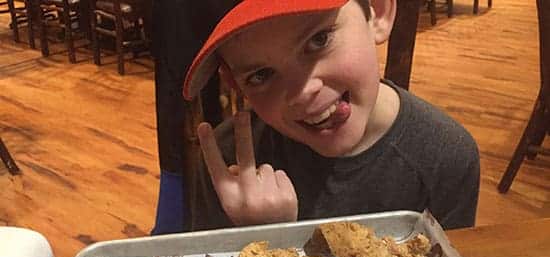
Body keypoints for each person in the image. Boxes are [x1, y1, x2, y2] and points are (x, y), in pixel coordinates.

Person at [183, 0, 480, 231]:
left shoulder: (445, 157)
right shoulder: (226, 165)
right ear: (236, 84)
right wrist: (258, 237)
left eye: (319, 40)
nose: (301, 92)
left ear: (376, 12)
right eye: (261, 75)